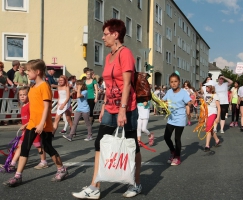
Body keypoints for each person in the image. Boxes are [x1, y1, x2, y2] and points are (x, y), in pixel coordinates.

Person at [72, 19, 142, 199]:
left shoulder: (125, 54)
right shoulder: (108, 56)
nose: (103, 37)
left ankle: (136, 183)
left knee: (131, 145)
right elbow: (109, 86)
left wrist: (122, 110)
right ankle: (94, 187)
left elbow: (126, 85)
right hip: (110, 107)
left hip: (127, 108)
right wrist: (104, 106)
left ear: (115, 34)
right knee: (100, 144)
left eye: (105, 34)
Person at [3, 59, 68, 187]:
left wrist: (42, 123)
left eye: (29, 70)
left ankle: (61, 169)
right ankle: (18, 176)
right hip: (33, 124)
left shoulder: (44, 86)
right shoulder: (32, 87)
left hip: (44, 125)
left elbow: (46, 107)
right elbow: (34, 108)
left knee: (48, 148)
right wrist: (28, 123)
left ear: (37, 72)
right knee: (25, 148)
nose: (27, 73)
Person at [0, 86, 47, 172]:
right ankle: (12, 164)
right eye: (20, 95)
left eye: (24, 95)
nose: (22, 96)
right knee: (19, 147)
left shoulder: (31, 105)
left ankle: (43, 161)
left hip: (33, 129)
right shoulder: (23, 106)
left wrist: (25, 125)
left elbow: (34, 118)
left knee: (38, 146)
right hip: (26, 131)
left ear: (29, 95)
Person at [163, 73, 191, 166]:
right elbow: (163, 101)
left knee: (176, 138)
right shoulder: (169, 92)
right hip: (171, 118)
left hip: (180, 118)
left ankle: (177, 157)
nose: (173, 83)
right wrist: (162, 104)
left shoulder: (183, 92)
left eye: (175, 81)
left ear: (179, 82)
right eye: (171, 82)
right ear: (169, 83)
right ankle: (173, 151)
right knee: (166, 137)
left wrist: (188, 108)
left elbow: (189, 102)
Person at [203, 80, 221, 151]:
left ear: (211, 87)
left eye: (207, 86)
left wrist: (218, 118)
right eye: (206, 86)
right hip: (206, 113)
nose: (206, 88)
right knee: (209, 128)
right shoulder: (205, 95)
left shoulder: (215, 95)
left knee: (208, 127)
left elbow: (219, 107)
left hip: (213, 112)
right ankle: (217, 140)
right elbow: (204, 105)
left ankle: (207, 145)